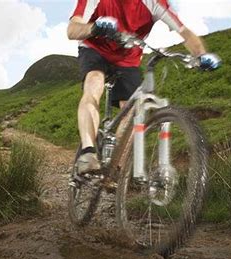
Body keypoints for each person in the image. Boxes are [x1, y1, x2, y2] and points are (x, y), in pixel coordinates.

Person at [67, 0, 221, 174]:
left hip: (127, 59)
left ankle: (115, 166)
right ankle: (88, 152)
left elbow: (184, 31)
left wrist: (200, 54)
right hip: (95, 49)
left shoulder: (154, 2)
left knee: (133, 110)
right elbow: (72, 29)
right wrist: (94, 28)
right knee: (94, 83)